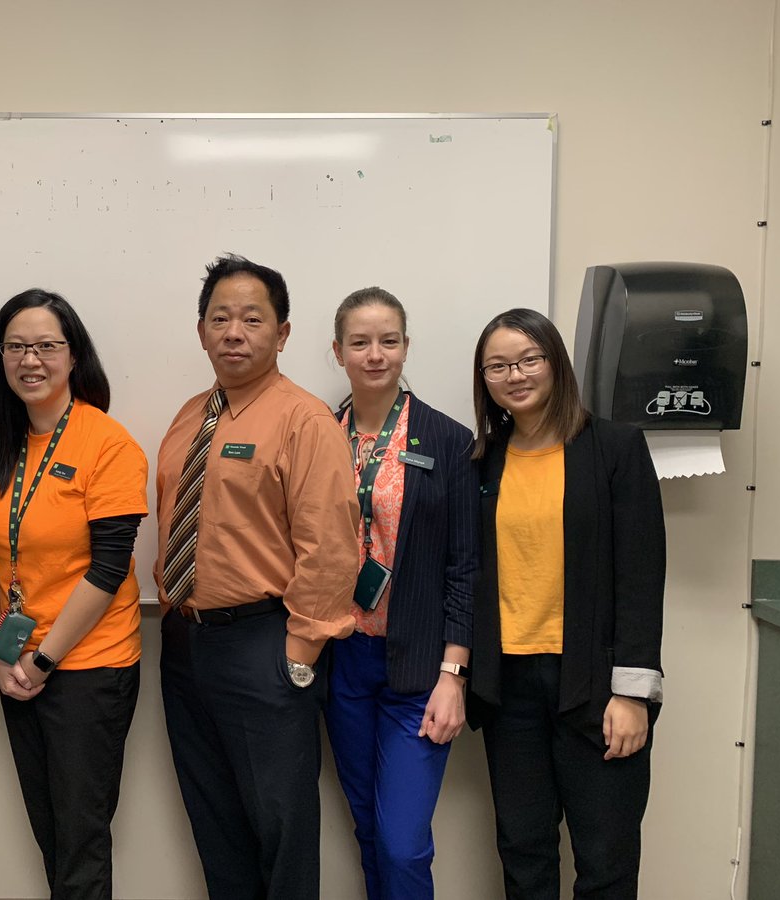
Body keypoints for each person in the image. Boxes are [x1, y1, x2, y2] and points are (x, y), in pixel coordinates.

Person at [154, 253, 360, 900]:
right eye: (220, 318)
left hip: (264, 644)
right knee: (215, 823)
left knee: (281, 826)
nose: (234, 332)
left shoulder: (303, 420)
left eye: (251, 318)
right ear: (201, 331)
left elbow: (330, 544)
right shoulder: (190, 415)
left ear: (283, 332)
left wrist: (299, 652)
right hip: (185, 644)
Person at [468, 308, 665, 899]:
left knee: (605, 859)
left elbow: (640, 576)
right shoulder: (483, 460)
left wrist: (632, 693)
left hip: (596, 684)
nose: (515, 375)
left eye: (529, 360)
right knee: (523, 853)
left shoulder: (614, 447)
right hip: (509, 687)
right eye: (498, 365)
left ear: (556, 364)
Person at [0, 289, 147, 900]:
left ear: (74, 356)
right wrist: (1, 654)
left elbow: (108, 569)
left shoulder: (110, 444)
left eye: (47, 345)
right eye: (16, 346)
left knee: (80, 838)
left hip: (88, 666)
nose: (31, 359)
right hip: (16, 663)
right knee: (49, 830)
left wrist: (44, 660)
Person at [324, 287, 478, 900]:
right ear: (337, 351)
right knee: (366, 830)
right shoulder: (318, 436)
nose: (375, 354)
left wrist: (454, 674)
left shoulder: (448, 441)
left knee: (402, 841)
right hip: (343, 661)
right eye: (360, 342)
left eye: (389, 341)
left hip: (419, 666)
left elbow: (466, 566)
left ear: (406, 346)